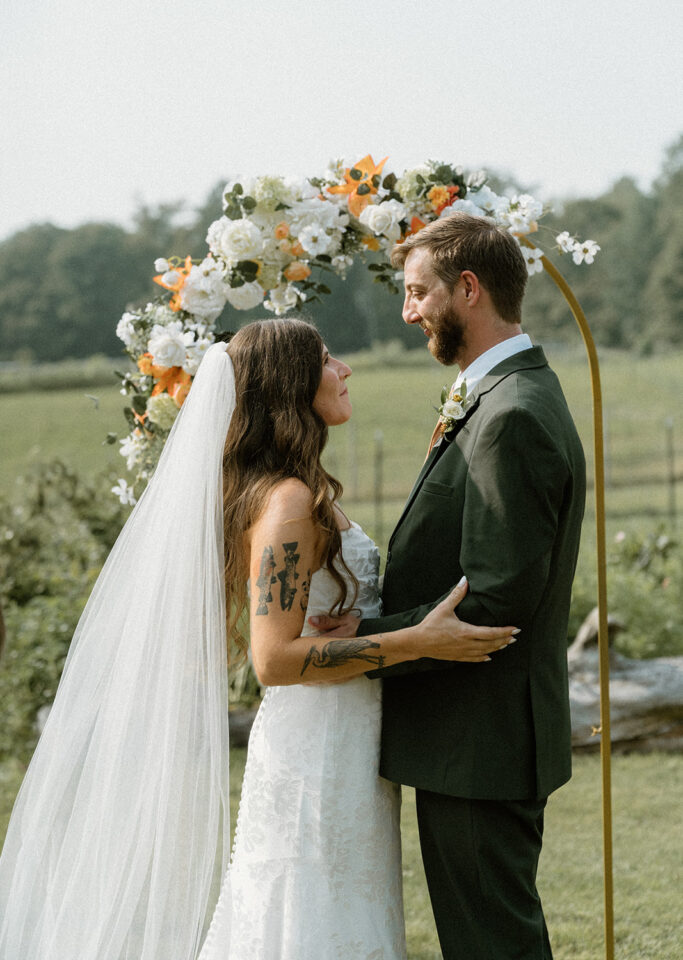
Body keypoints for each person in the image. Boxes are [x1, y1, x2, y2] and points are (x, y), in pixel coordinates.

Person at [0, 317, 516, 960]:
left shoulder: (295, 491)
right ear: (292, 386)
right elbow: (274, 659)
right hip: (317, 745)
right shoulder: (289, 502)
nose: (346, 370)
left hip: (344, 733)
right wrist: (417, 639)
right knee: (309, 914)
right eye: (329, 360)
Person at [311, 214, 587, 960]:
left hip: (481, 738)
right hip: (475, 735)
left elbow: (494, 604)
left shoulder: (512, 415)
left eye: (415, 292)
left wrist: (371, 638)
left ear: (467, 289)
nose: (408, 312)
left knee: (492, 945)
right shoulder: (501, 394)